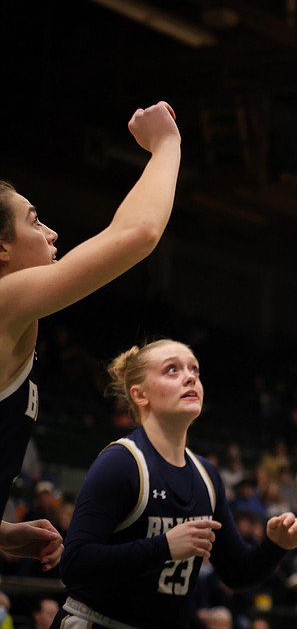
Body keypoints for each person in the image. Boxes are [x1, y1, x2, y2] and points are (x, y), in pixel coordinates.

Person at [0, 101, 180, 571]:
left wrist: (2, 534)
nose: (52, 232)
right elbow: (138, 233)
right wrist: (166, 144)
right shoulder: (6, 301)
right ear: (1, 246)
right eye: (34, 221)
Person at [56, 339, 297, 629]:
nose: (190, 376)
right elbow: (74, 564)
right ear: (140, 395)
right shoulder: (122, 462)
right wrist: (164, 547)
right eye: (172, 370)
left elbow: (236, 573)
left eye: (195, 370)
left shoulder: (207, 474)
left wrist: (274, 547)